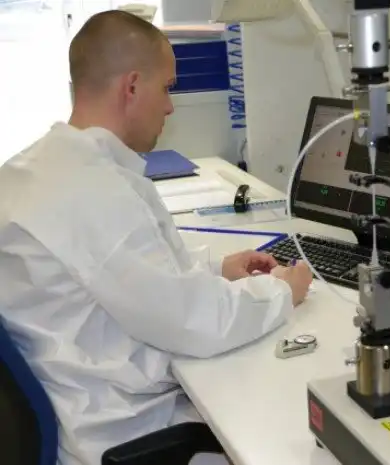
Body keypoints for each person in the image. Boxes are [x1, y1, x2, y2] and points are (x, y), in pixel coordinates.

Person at [0, 10, 312, 465]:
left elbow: (124, 270)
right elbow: (197, 323)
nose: (169, 107)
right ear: (131, 86)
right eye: (166, 88)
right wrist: (282, 292)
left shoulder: (35, 168)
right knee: (294, 431)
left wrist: (216, 267)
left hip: (78, 399)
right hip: (121, 432)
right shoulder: (92, 190)